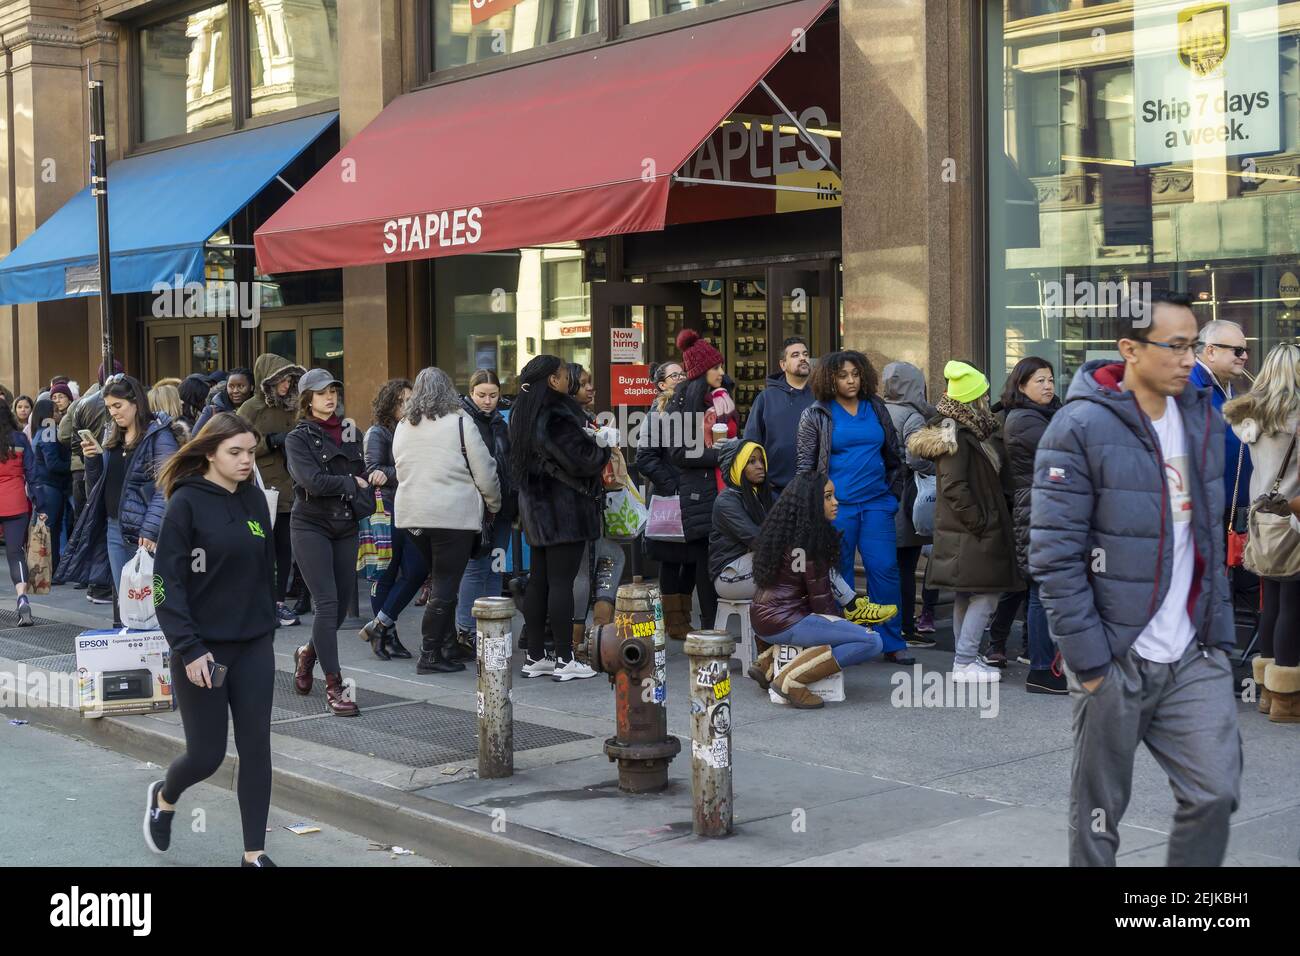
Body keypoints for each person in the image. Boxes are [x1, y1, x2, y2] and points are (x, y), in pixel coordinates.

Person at [1030, 289, 1241, 867]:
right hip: (1115, 657)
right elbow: (1054, 554)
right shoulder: (1079, 426)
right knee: (1099, 815)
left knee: (1215, 793)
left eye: (1193, 345)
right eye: (1175, 346)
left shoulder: (1200, 417)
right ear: (1129, 348)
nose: (1187, 358)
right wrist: (1091, 663)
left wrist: (1219, 642)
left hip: (1192, 655)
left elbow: (1203, 538)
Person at [146, 412, 278, 867]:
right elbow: (167, 584)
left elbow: (268, 565)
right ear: (209, 453)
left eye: (250, 452)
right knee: (206, 755)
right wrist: (188, 647)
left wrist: (269, 614)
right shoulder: (185, 504)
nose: (246, 461)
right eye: (235, 453)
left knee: (257, 747)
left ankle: (253, 854)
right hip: (202, 647)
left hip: (255, 642)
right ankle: (164, 795)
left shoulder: (255, 499)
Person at [796, 350, 914, 665]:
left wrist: (892, 496)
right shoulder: (817, 413)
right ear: (829, 378)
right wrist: (814, 508)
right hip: (837, 507)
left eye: (855, 374)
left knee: (886, 570)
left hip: (877, 503)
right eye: (843, 375)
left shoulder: (876, 407)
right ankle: (845, 639)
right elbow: (805, 468)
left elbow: (895, 454)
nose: (850, 380)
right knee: (840, 574)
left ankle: (891, 640)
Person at [908, 361, 1021, 682]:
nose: (987, 400)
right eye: (983, 395)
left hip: (964, 531)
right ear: (973, 399)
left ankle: (965, 658)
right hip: (970, 532)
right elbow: (955, 486)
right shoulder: (957, 432)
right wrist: (981, 522)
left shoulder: (963, 429)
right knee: (986, 594)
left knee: (967, 594)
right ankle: (964, 661)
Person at [393, 367, 502, 674]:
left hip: (413, 518)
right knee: (445, 584)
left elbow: (400, 468)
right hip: (452, 517)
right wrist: (493, 504)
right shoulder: (459, 421)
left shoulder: (404, 424)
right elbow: (485, 471)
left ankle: (448, 644)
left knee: (443, 579)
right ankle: (429, 654)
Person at [510, 355, 609, 681]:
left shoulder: (523, 411)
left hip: (535, 507)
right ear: (553, 380)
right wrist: (604, 447)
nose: (571, 379)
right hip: (563, 508)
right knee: (561, 583)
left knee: (539, 579)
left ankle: (536, 655)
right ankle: (566, 658)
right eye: (566, 374)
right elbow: (581, 460)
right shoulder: (556, 412)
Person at [751, 472, 885, 708]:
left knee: (843, 632)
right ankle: (790, 681)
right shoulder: (808, 543)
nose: (836, 502)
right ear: (811, 503)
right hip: (785, 621)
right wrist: (849, 627)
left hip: (766, 620)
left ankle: (768, 662)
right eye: (827, 497)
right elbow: (822, 604)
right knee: (871, 642)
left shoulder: (785, 533)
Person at [284, 369, 373, 716]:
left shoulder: (351, 431)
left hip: (346, 524)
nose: (329, 397)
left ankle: (307, 654)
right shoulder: (298, 437)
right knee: (326, 603)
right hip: (310, 524)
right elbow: (313, 482)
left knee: (337, 607)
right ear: (308, 399)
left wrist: (367, 479)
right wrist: (352, 482)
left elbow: (366, 473)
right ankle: (334, 685)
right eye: (321, 393)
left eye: (333, 391)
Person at [63, 374, 183, 627]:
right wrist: (93, 459)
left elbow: (166, 485)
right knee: (125, 599)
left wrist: (150, 529)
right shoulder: (113, 434)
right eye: (109, 408)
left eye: (118, 406)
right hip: (115, 527)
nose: (113, 412)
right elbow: (98, 485)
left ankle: (159, 655)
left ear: (136, 402)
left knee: (151, 602)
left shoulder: (159, 435)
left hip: (144, 532)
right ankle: (131, 652)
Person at [1224, 342, 1300, 724]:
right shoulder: (1295, 417)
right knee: (1293, 605)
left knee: (1271, 602)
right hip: (1294, 519)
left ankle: (1269, 694)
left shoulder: (1250, 417)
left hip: (1261, 519)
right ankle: (1287, 700)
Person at [998, 357, 1065, 693]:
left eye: (1051, 379)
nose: (1048, 386)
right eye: (1040, 380)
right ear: (1021, 385)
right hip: (1038, 508)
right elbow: (1065, 452)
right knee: (1041, 590)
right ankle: (1041, 669)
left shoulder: (1045, 414)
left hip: (1049, 506)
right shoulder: (1024, 420)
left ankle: (1049, 664)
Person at [666, 329, 736, 632]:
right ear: (701, 372)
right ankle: (710, 627)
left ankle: (722, 624)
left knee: (723, 559)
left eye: (721, 366)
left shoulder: (723, 399)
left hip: (727, 489)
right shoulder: (684, 404)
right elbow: (679, 454)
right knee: (705, 563)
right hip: (700, 494)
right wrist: (719, 454)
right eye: (716, 368)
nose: (722, 372)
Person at [1190, 319, 1257, 622]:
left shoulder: (1228, 387)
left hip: (1229, 508)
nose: (1244, 356)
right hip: (1204, 511)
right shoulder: (1192, 387)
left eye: (1245, 350)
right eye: (1238, 350)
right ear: (1211, 351)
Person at [238, 353, 305, 627]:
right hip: (261, 487)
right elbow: (236, 443)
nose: (287, 385)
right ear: (268, 381)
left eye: (290, 379)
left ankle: (278, 602)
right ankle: (258, 601)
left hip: (290, 488)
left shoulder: (293, 407)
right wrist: (270, 441)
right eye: (282, 380)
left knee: (284, 548)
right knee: (259, 548)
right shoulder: (250, 409)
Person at [358, 377, 419, 661]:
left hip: (412, 509)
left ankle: (380, 626)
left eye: (410, 399)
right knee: (387, 572)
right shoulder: (378, 432)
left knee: (417, 570)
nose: (407, 405)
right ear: (389, 403)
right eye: (401, 400)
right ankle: (387, 635)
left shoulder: (415, 429)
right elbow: (374, 471)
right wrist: (407, 472)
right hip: (388, 509)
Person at [455, 369, 516, 650]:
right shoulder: (463, 421)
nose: (488, 401)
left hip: (501, 504)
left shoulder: (499, 423)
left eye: (493, 395)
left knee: (495, 566)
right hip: (475, 506)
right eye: (481, 395)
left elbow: (507, 461)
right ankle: (465, 629)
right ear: (471, 393)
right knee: (476, 566)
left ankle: (492, 624)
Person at [881, 361, 940, 647]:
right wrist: (936, 467)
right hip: (906, 496)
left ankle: (885, 625)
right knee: (906, 567)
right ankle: (905, 627)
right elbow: (917, 459)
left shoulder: (879, 409)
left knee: (885, 567)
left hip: (882, 494)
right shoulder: (913, 417)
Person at [636, 360, 696, 639]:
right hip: (669, 498)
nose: (681, 377)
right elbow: (645, 458)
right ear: (661, 385)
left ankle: (685, 615)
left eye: (683, 373)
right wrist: (672, 486)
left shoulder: (694, 407)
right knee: (672, 559)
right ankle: (673, 620)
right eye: (675, 375)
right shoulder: (656, 414)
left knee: (693, 558)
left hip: (696, 496)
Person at [568, 363, 626, 638]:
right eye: (583, 383)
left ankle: (599, 627)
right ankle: (579, 635)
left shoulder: (585, 416)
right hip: (575, 507)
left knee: (610, 556)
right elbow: (582, 463)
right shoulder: (570, 420)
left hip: (590, 503)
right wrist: (601, 449)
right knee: (581, 570)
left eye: (590, 382)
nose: (590, 387)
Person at [56, 363, 117, 602]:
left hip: (85, 472)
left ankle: (92, 582)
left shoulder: (82, 403)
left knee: (90, 523)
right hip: (93, 470)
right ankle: (99, 584)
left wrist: (83, 453)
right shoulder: (91, 403)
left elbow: (66, 436)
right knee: (100, 525)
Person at [743, 336, 814, 494]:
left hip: (814, 487)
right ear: (783, 364)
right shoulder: (766, 398)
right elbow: (751, 443)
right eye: (795, 355)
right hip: (775, 490)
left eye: (805, 354)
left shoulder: (821, 397)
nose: (802, 358)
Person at [709, 439, 774, 602]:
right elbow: (757, 539)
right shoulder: (726, 501)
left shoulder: (759, 495)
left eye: (761, 460)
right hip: (728, 576)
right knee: (795, 569)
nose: (760, 466)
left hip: (753, 565)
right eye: (751, 461)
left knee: (802, 562)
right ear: (737, 467)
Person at [0, 398, 44, 625]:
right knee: (16, 552)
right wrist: (40, 503)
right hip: (15, 502)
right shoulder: (19, 439)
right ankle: (22, 598)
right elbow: (33, 474)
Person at [30, 398, 71, 574]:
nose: (58, 413)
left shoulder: (39, 431)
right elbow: (53, 463)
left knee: (44, 529)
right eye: (54, 410)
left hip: (42, 486)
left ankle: (43, 573)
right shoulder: (49, 431)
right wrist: (74, 465)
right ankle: (46, 573)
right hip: (49, 487)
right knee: (48, 530)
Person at [193, 367, 253, 434]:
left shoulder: (257, 411)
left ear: (251, 387)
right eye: (231, 386)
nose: (235, 391)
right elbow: (195, 439)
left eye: (241, 386)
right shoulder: (211, 411)